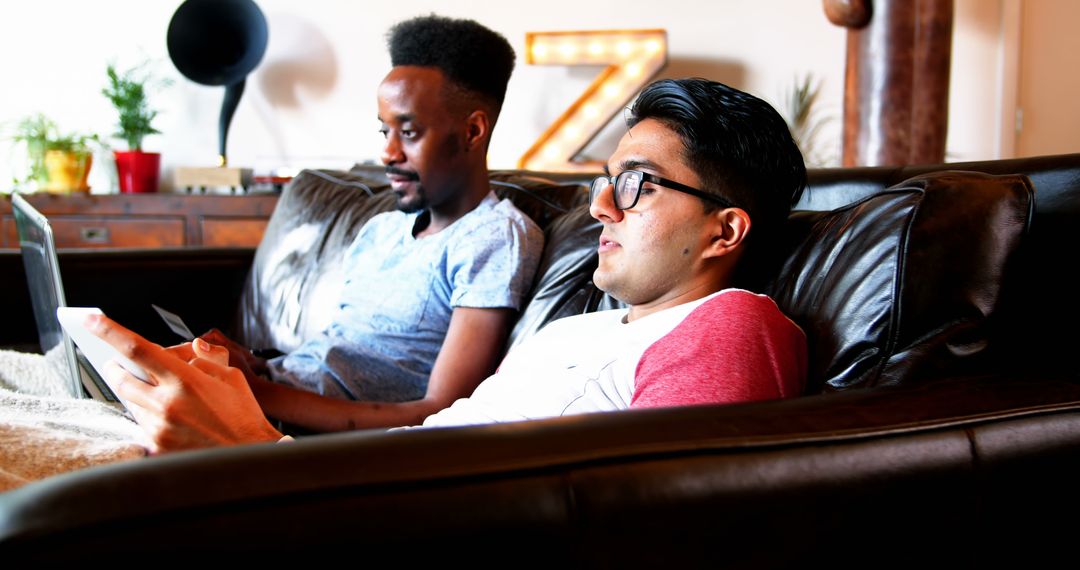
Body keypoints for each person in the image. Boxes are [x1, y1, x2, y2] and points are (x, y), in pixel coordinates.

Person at [88, 77, 809, 451]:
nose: (600, 209)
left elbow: (664, 521)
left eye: (635, 184)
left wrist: (251, 457)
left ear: (726, 231)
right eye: (603, 181)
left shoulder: (732, 325)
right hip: (331, 485)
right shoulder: (575, 333)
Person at [202, 15, 544, 433]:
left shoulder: (493, 237)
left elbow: (439, 412)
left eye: (410, 132)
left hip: (292, 432)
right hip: (267, 395)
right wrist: (250, 363)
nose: (387, 152)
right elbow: (337, 354)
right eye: (384, 131)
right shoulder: (380, 230)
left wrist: (249, 391)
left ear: (472, 131)